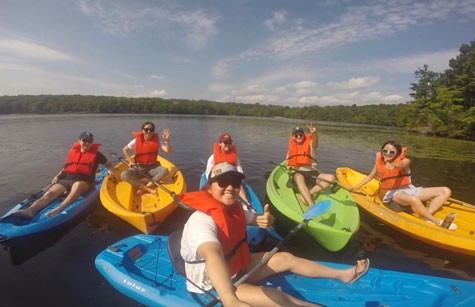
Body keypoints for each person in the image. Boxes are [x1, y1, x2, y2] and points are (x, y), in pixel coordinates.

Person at [179, 162, 370, 306]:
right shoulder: (201, 221)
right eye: (223, 182)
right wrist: (230, 300)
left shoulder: (232, 209)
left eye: (235, 182)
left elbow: (255, 219)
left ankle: (343, 274)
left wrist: (265, 220)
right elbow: (212, 254)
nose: (230, 187)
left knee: (286, 258)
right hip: (215, 283)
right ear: (209, 187)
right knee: (280, 299)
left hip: (238, 266)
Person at [350, 140, 455, 230]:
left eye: (392, 152)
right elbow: (370, 176)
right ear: (382, 151)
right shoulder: (379, 162)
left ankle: (426, 215)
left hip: (408, 189)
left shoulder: (405, 161)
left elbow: (401, 165)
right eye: (385, 151)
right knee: (414, 200)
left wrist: (393, 165)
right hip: (392, 193)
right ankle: (436, 221)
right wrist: (356, 187)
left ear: (397, 153)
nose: (387, 153)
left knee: (445, 191)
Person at [14, 132, 116, 219]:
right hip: (67, 179)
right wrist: (57, 176)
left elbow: (109, 165)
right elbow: (67, 167)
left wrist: (111, 170)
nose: (87, 143)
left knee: (77, 185)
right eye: (85, 140)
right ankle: (30, 210)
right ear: (80, 141)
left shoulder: (97, 154)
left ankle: (60, 208)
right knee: (50, 193)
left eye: (90, 141)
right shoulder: (74, 152)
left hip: (85, 181)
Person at [286, 124, 336, 206]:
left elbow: (315, 144)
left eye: (301, 134)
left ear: (304, 135)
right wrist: (288, 166)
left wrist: (314, 133)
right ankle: (311, 204)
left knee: (331, 178)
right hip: (298, 173)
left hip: (312, 173)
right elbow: (288, 161)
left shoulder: (310, 143)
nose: (299, 136)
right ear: (293, 137)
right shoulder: (291, 146)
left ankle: (306, 195)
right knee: (298, 176)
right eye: (296, 135)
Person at [121, 121, 175, 195]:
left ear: (153, 131)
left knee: (165, 170)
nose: (149, 131)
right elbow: (125, 149)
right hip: (139, 167)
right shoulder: (136, 140)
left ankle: (146, 187)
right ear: (143, 130)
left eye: (151, 130)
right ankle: (148, 188)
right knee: (124, 175)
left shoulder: (157, 140)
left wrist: (167, 141)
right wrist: (130, 161)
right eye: (146, 129)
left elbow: (168, 150)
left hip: (153, 167)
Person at [204, 133, 250, 204]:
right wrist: (211, 180)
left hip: (231, 175)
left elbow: (239, 167)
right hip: (219, 176)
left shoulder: (235, 157)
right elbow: (208, 171)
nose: (228, 145)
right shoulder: (212, 157)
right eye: (225, 142)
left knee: (239, 185)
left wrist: (239, 178)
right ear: (220, 143)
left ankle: (247, 203)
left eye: (230, 142)